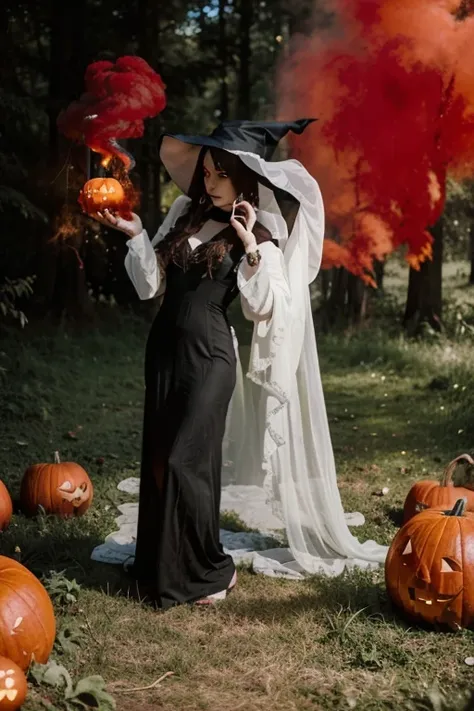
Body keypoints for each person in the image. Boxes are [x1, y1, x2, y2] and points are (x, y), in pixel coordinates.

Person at [92, 119, 388, 608]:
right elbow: (151, 286)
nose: (207, 182)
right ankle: (160, 562)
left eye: (218, 175)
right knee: (162, 459)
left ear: (244, 179)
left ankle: (210, 571)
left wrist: (249, 245)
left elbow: (263, 307)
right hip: (164, 347)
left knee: (190, 460)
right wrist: (137, 233)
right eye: (205, 172)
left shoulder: (263, 234)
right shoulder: (186, 211)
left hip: (210, 355)